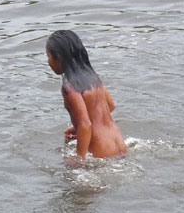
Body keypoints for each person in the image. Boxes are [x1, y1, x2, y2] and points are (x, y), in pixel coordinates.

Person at [46, 29, 126, 159]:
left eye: (48, 56)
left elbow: (86, 125)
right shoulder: (92, 77)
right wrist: (76, 126)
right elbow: (110, 106)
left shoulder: (69, 86)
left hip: (101, 150)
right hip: (119, 144)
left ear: (59, 58)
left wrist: (79, 159)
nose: (48, 61)